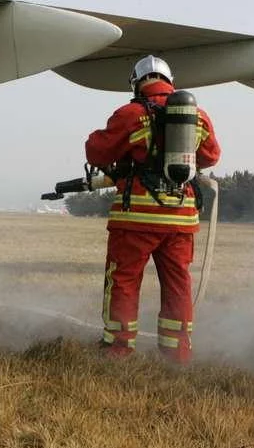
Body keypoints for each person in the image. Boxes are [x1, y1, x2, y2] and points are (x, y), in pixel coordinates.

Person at [84, 55, 221, 364]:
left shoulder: (131, 114)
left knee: (124, 281)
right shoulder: (197, 116)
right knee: (178, 284)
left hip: (136, 219)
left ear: (137, 83)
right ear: (169, 82)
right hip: (181, 219)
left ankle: (117, 349)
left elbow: (98, 150)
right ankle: (177, 352)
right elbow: (211, 156)